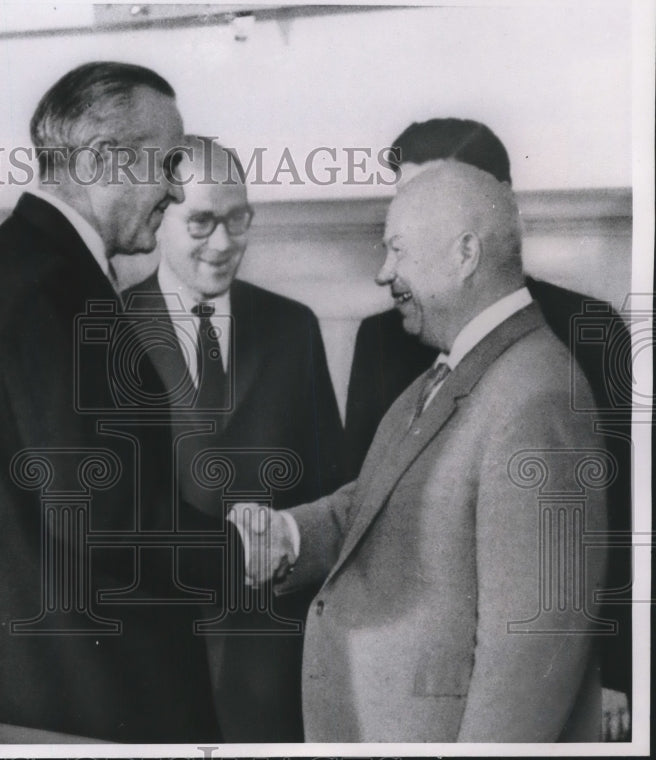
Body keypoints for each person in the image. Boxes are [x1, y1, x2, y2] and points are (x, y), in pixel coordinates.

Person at [232, 160, 608, 741]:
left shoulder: (537, 396)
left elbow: (534, 648)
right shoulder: (455, 371)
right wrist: (291, 535)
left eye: (398, 250)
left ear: (465, 255)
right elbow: (384, 497)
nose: (385, 273)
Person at [0, 62, 225, 742]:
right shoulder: (52, 294)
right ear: (101, 159)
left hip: (44, 697)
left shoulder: (16, 271)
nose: (178, 188)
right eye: (170, 162)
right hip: (91, 708)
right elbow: (107, 529)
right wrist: (259, 547)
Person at [344, 118, 632, 735]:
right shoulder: (379, 339)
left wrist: (618, 670)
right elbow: (363, 501)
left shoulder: (589, 329)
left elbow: (622, 507)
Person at [123, 136, 345, 742]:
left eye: (237, 220)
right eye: (201, 221)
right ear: (158, 214)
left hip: (276, 662)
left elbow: (334, 489)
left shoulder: (292, 327)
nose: (223, 244)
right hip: (156, 663)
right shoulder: (107, 329)